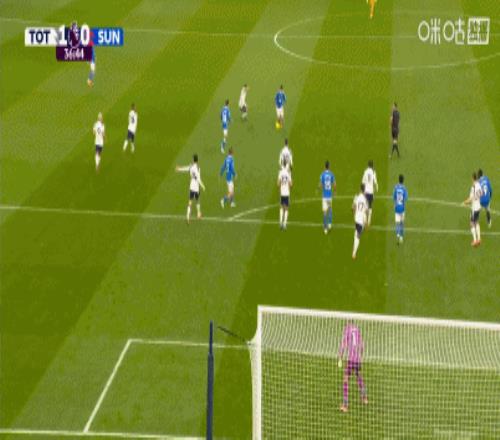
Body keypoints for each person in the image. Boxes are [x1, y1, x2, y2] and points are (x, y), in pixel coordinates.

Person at [338, 321, 368, 412]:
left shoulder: (347, 330)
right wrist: (360, 357)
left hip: (350, 360)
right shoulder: (357, 329)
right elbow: (362, 346)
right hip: (357, 359)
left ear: (347, 322)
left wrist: (340, 357)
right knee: (359, 377)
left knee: (345, 379)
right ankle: (364, 398)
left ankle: (345, 405)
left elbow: (343, 345)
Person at [176, 154, 206, 224]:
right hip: (196, 188)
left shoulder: (191, 166)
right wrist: (203, 186)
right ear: (197, 160)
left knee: (190, 202)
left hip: (191, 187)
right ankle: (198, 214)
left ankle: (187, 217)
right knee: (197, 200)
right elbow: (198, 179)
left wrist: (179, 169)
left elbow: (185, 169)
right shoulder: (198, 168)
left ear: (193, 160)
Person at [463, 172, 483, 247]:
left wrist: (465, 202)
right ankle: (479, 239)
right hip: (479, 207)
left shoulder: (473, 187)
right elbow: (481, 193)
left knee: (472, 223)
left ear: (472, 178)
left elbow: (470, 199)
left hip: (474, 208)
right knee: (476, 222)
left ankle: (475, 240)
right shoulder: (479, 185)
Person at [352, 184, 368, 259]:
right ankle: (354, 253)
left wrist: (354, 214)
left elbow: (353, 208)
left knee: (357, 231)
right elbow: (366, 211)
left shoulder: (357, 197)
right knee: (358, 236)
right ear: (364, 190)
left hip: (356, 218)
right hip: (361, 220)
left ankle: (356, 235)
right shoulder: (365, 199)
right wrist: (366, 222)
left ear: (360, 189)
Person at [319, 161, 336, 234]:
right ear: (329, 166)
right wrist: (334, 191)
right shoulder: (331, 174)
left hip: (324, 196)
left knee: (325, 212)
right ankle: (329, 224)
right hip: (329, 196)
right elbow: (334, 184)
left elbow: (320, 185)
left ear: (324, 166)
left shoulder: (322, 174)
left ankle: (325, 229)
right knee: (330, 210)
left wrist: (318, 188)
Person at [361, 160, 378, 226]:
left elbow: (363, 182)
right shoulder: (373, 172)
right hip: (371, 192)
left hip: (366, 191)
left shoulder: (365, 171)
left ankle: (365, 221)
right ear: (372, 165)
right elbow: (375, 181)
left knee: (365, 206)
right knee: (370, 206)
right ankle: (369, 221)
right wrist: (376, 188)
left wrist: (362, 190)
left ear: (368, 165)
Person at [393, 174, 408, 244]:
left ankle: (398, 234)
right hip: (402, 208)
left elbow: (394, 198)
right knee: (402, 223)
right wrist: (403, 205)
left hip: (397, 208)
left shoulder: (395, 187)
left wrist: (395, 205)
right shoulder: (404, 188)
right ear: (403, 180)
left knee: (397, 223)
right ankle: (401, 237)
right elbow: (405, 199)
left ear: (398, 179)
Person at [278, 162, 292, 230]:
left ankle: (280, 223)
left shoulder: (280, 172)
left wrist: (280, 188)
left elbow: (278, 183)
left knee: (281, 207)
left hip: (282, 193)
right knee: (286, 208)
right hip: (287, 193)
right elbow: (291, 184)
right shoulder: (288, 173)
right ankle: (284, 224)